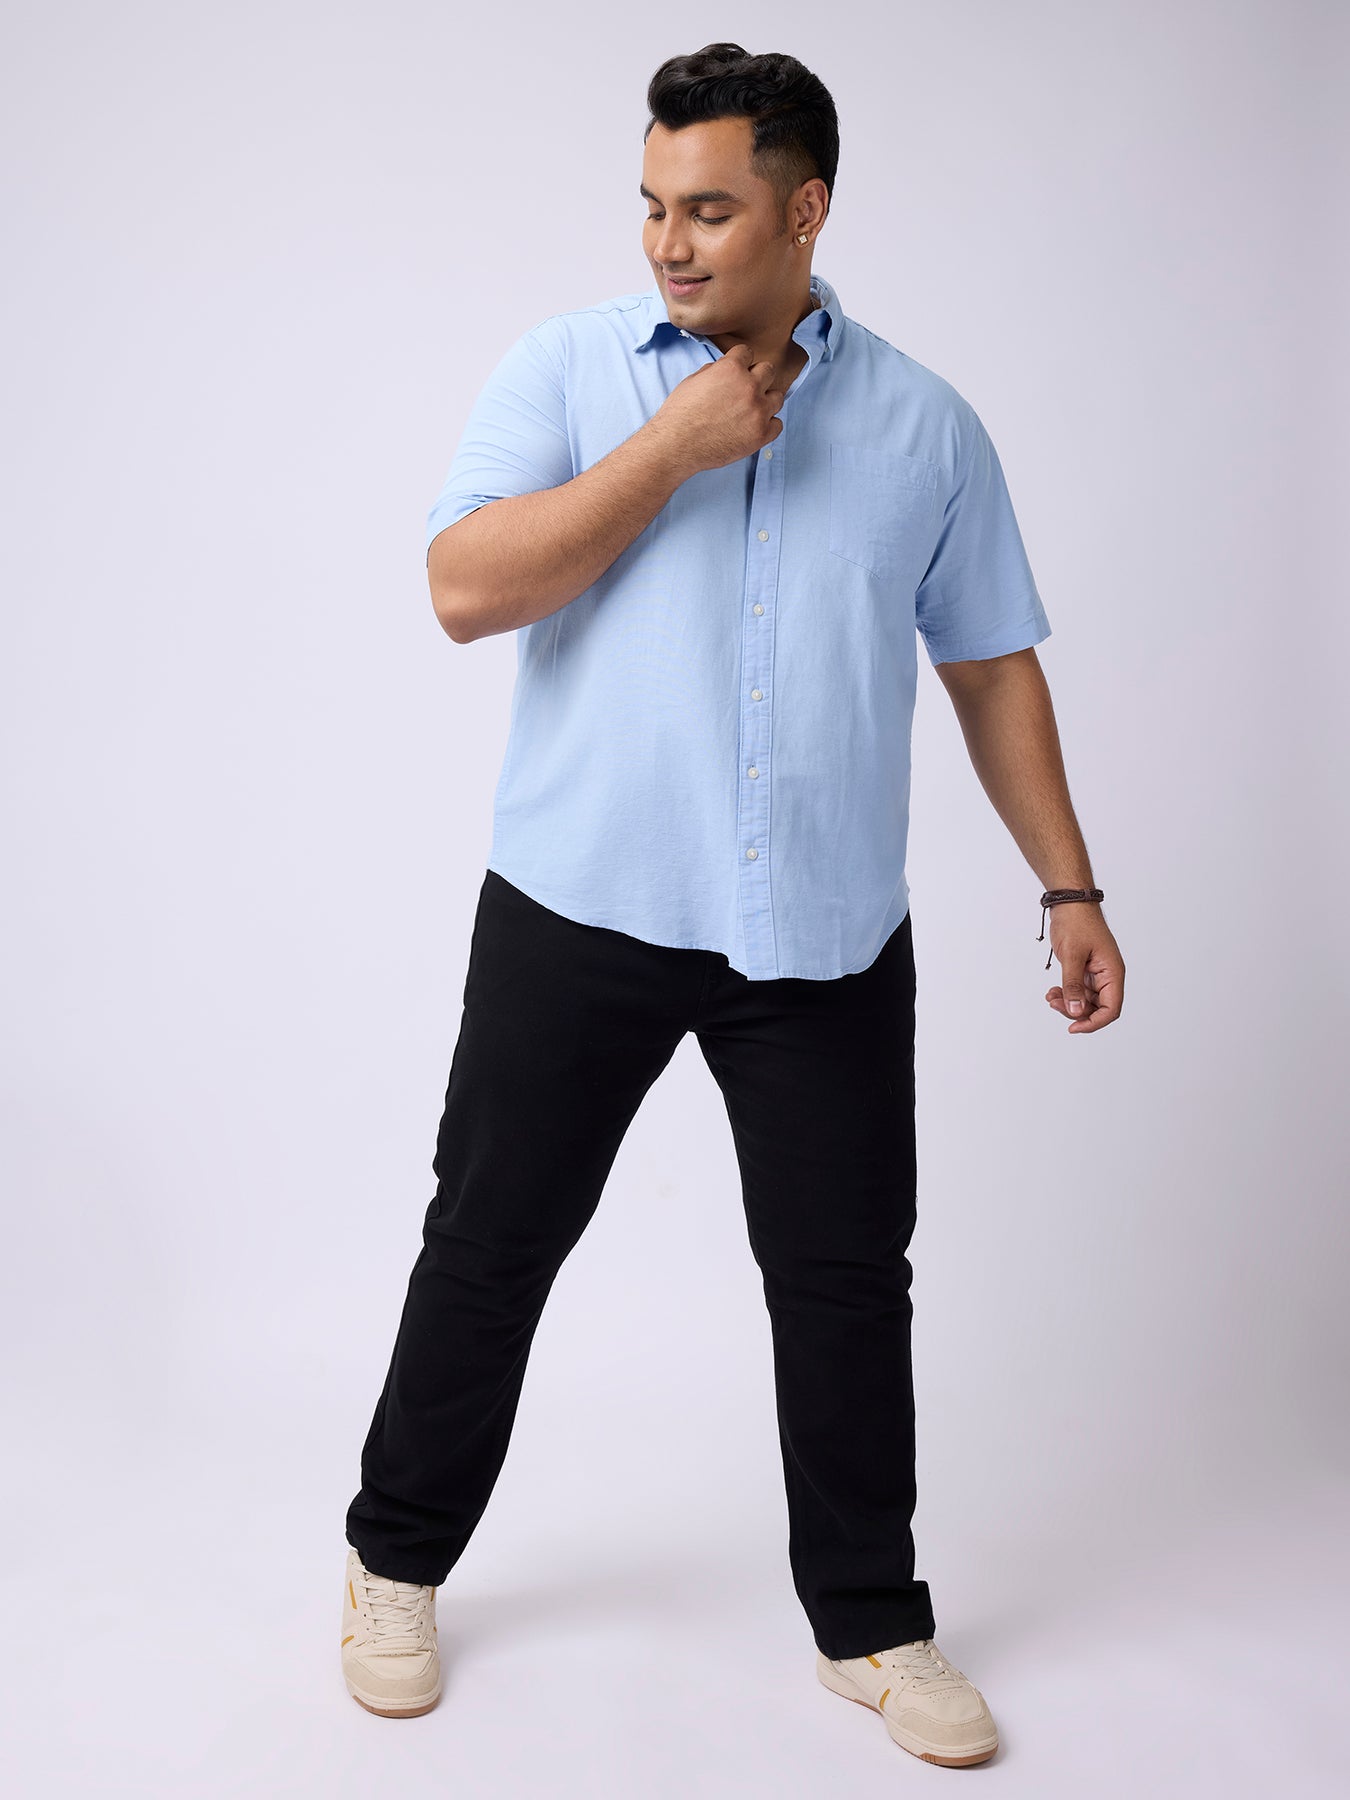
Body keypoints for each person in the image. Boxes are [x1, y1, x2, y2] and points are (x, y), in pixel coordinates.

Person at [339, 41, 1125, 1766]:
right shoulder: (565, 369)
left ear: (804, 208)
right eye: (650, 206)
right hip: (582, 905)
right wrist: (672, 450)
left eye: (705, 209)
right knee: (490, 1245)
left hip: (820, 934)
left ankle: (872, 1624)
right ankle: (394, 1564)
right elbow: (463, 590)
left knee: (844, 1282)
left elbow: (989, 664)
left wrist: (1064, 880)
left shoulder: (923, 423)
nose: (666, 242)